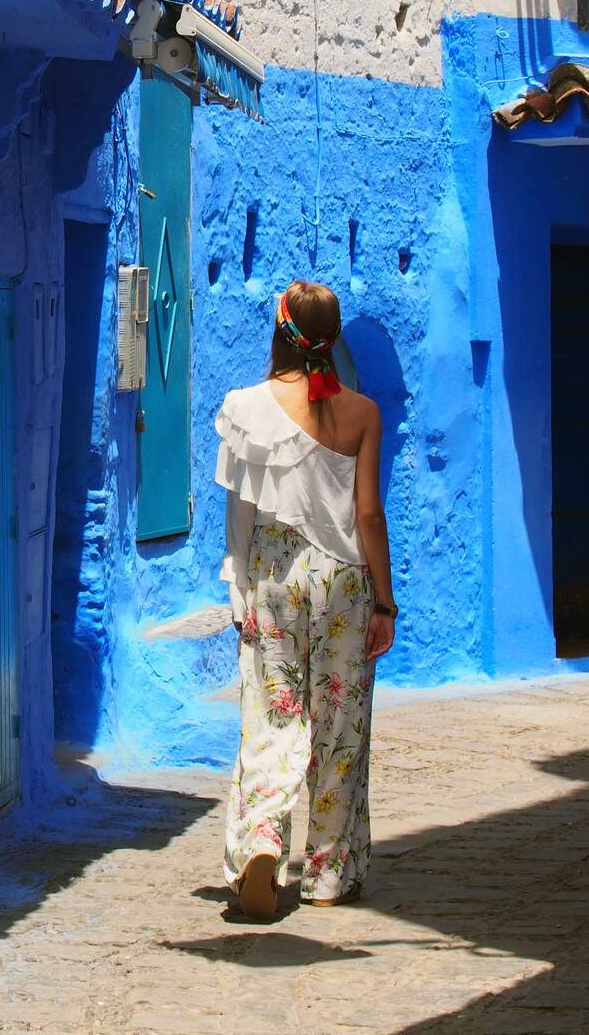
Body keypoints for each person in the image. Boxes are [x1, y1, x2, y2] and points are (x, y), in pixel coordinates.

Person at [215, 280, 397, 920]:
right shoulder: (363, 412)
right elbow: (368, 514)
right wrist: (386, 601)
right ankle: (328, 872)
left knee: (272, 712)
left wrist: (240, 590)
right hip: (345, 581)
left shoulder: (244, 408)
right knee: (339, 724)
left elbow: (238, 513)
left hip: (272, 573)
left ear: (281, 330)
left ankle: (263, 840)